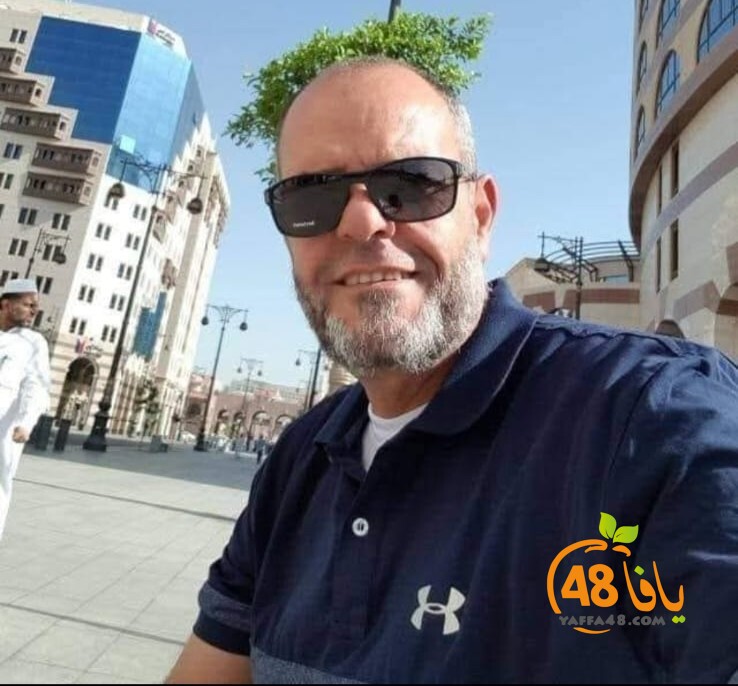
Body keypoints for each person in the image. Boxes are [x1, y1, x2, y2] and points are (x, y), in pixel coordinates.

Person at [167, 58, 738, 683]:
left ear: (482, 216)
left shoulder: (653, 420)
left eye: (411, 183)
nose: (361, 222)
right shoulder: (301, 458)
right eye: (312, 195)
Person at [0, 278, 50, 540]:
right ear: (6, 304)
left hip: (5, 431)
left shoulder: (33, 342)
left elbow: (37, 385)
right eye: (28, 305)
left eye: (36, 306)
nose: (34, 311)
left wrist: (26, 422)